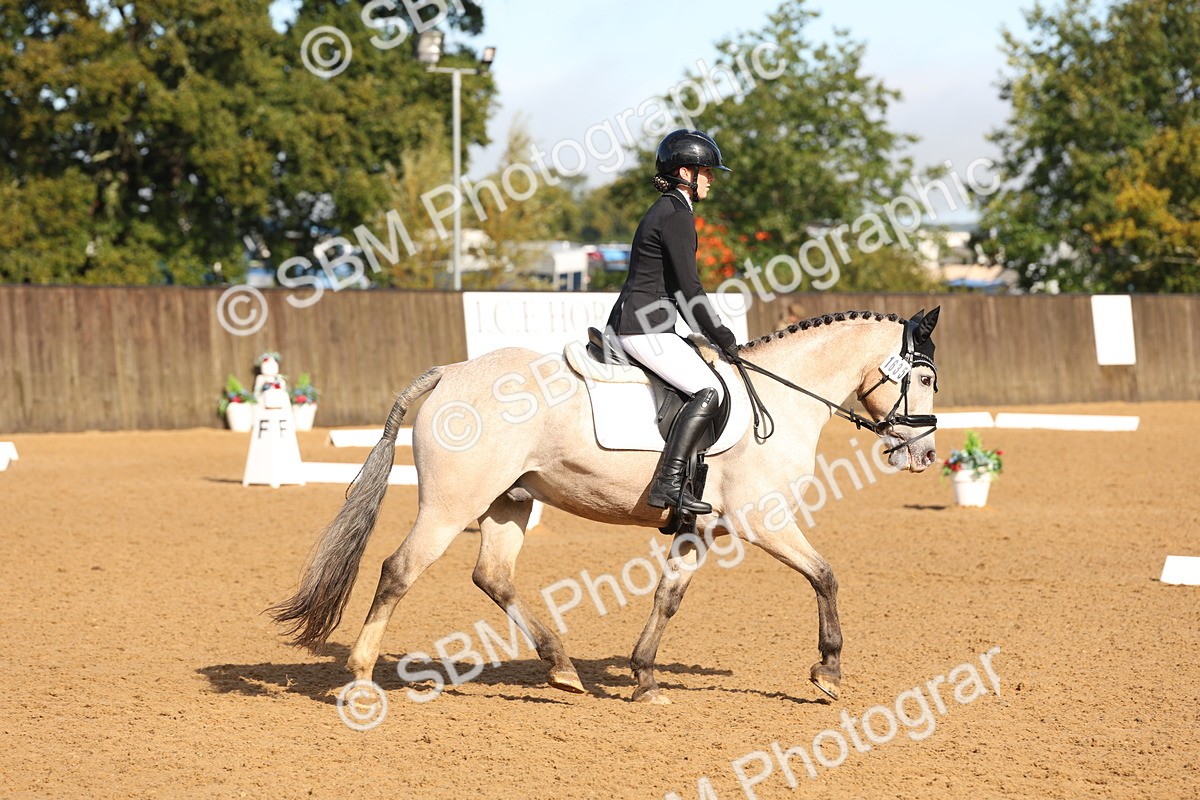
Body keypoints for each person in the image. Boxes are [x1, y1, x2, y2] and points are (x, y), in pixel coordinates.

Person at [605, 129, 740, 516]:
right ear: (686, 172)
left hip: (648, 322)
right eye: (707, 172)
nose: (711, 178)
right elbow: (688, 288)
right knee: (708, 389)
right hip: (643, 327)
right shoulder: (677, 215)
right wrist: (722, 336)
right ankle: (669, 483)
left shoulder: (667, 209)